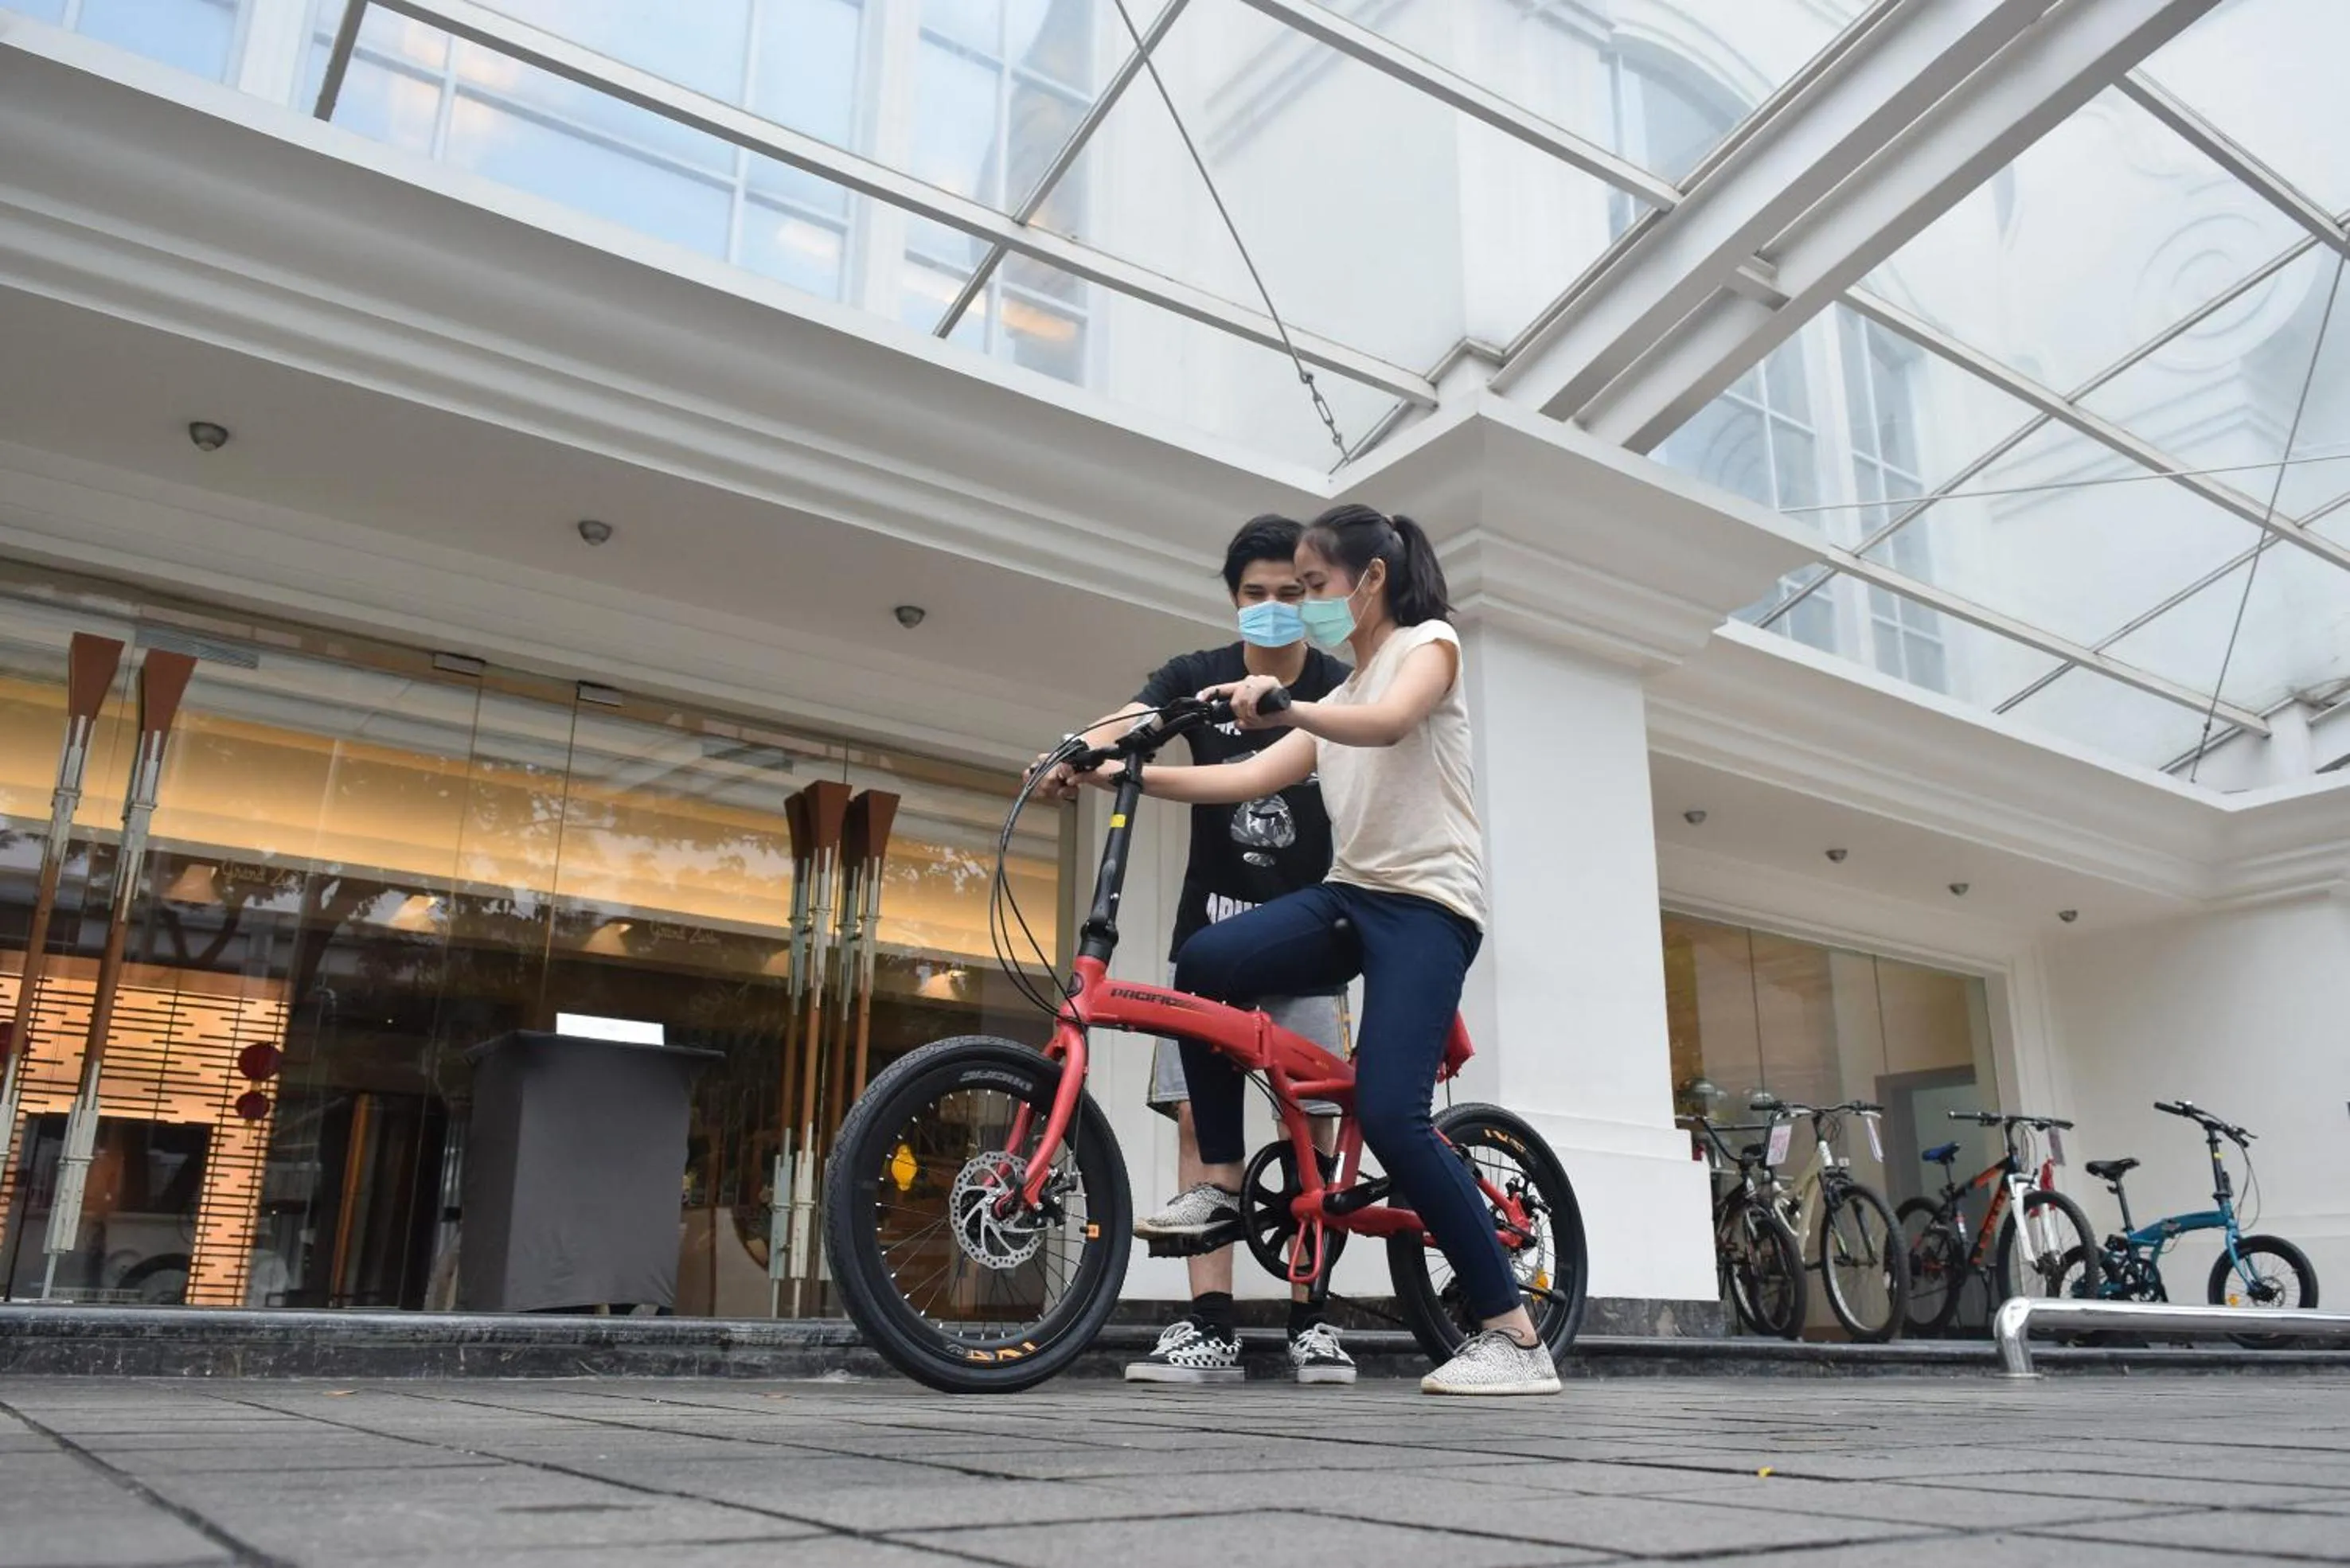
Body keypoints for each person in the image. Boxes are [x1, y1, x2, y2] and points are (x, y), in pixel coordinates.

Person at [1081, 502, 1557, 1396]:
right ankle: (1220, 1184)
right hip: (1350, 896)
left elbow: (1387, 725)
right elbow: (1248, 776)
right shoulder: (1337, 696)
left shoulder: (1428, 647)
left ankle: (1513, 1333)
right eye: (1286, 590)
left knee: (1392, 1109)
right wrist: (1128, 774)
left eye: (1311, 587)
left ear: (1368, 578)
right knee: (1209, 963)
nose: (1301, 605)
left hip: (1427, 907)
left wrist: (1286, 701)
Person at [1045, 516, 1357, 1386]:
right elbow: (1139, 715)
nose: (1270, 609)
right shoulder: (1202, 676)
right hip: (1212, 941)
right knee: (1195, 1117)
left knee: (1316, 1128)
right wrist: (1081, 747)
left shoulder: (1341, 687)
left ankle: (1312, 1319)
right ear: (1234, 599)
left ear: (1313, 597)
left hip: (1311, 943)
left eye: (1289, 594)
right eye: (1253, 595)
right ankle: (1208, 1322)